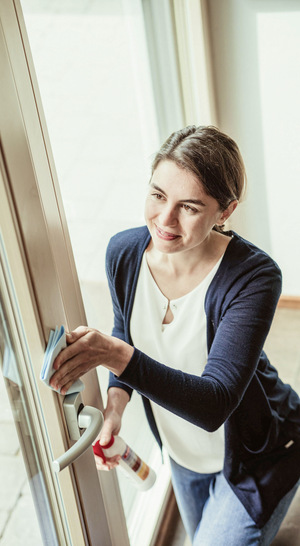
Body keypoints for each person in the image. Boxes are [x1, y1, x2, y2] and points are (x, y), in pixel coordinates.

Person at [50, 125, 300, 544]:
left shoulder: (253, 277)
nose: (164, 221)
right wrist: (115, 405)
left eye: (189, 206)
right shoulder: (124, 254)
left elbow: (213, 404)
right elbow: (124, 330)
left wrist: (114, 355)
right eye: (158, 195)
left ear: (225, 211)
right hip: (181, 449)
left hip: (261, 451)